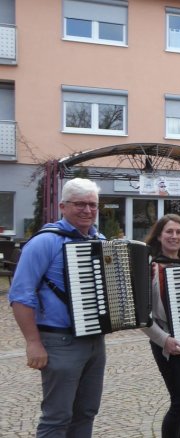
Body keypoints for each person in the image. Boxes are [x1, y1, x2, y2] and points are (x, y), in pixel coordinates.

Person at [9, 178, 107, 437]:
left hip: (95, 340)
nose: (87, 210)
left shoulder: (100, 239)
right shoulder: (45, 242)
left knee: (86, 412)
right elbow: (20, 295)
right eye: (80, 204)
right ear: (63, 206)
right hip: (59, 339)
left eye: (92, 205)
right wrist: (33, 342)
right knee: (56, 417)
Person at [141, 214, 180, 438]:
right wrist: (163, 340)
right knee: (179, 401)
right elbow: (143, 316)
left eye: (179, 232)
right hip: (166, 340)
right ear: (159, 236)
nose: (174, 236)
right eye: (169, 231)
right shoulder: (148, 267)